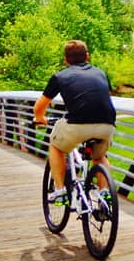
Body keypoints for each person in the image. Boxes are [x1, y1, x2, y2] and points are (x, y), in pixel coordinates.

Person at [33, 40, 116, 203]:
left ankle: (59, 190)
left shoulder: (60, 76)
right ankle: (105, 193)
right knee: (99, 156)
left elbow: (39, 106)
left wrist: (40, 118)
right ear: (87, 57)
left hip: (77, 125)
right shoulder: (101, 73)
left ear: (66, 59)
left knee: (56, 147)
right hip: (106, 124)